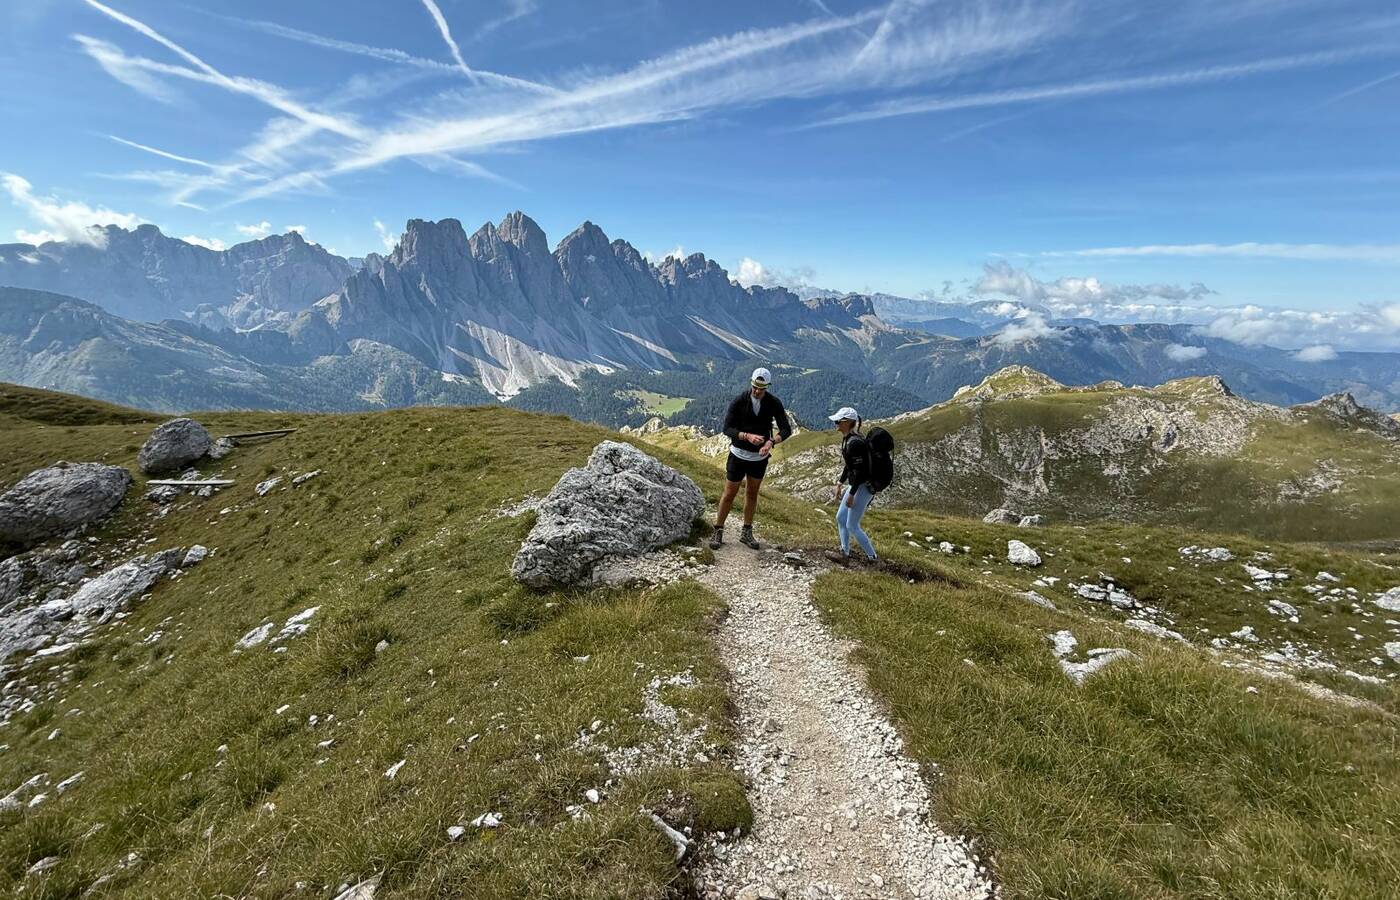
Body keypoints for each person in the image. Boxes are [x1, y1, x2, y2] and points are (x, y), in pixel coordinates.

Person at [710, 367, 792, 550]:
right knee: (729, 493)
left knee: (752, 493)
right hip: (738, 454)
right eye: (755, 387)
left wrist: (771, 442)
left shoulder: (773, 403)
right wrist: (746, 436)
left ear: (767, 387)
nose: (757, 391)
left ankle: (746, 532)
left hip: (759, 458)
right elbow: (727, 428)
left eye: (761, 389)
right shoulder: (740, 400)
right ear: (751, 383)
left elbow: (786, 429)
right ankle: (718, 529)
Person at [825, 406, 878, 565]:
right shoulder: (850, 439)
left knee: (852, 525)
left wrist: (852, 494)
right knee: (841, 518)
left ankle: (873, 558)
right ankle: (844, 552)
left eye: (838, 421)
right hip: (856, 485)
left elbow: (860, 472)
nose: (835, 423)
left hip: (862, 487)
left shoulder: (854, 443)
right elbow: (850, 466)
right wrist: (840, 483)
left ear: (847, 422)